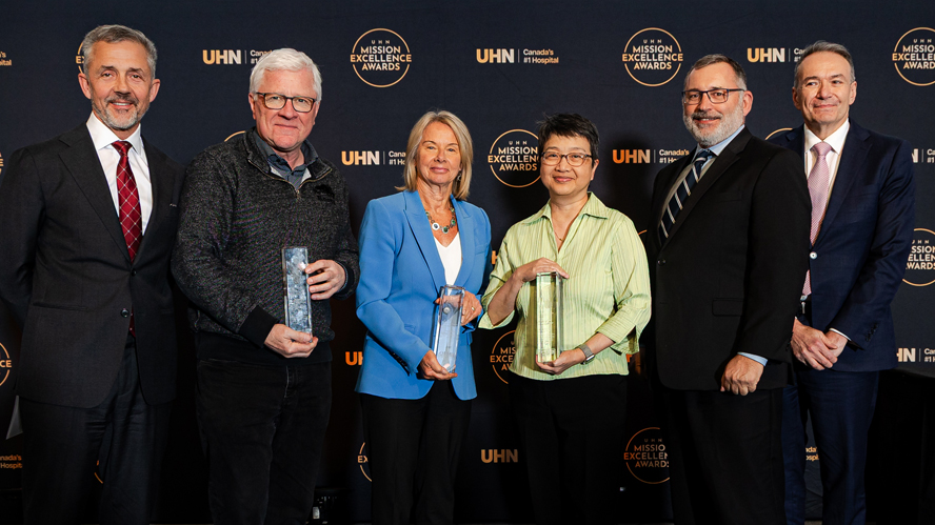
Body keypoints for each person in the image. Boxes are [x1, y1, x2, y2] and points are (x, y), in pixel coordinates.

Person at [0, 24, 182, 525]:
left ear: (153, 89)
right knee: (54, 509)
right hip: (64, 375)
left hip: (148, 377)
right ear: (85, 83)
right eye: (108, 73)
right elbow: (10, 273)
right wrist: (60, 333)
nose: (122, 87)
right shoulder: (38, 164)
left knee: (136, 510)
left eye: (136, 75)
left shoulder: (172, 174)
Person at [172, 48, 359, 524]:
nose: (289, 111)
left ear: (316, 110)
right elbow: (191, 263)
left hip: (312, 363)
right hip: (239, 362)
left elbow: (349, 256)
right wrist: (262, 328)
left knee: (292, 503)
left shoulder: (330, 181)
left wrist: (342, 274)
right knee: (240, 504)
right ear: (253, 102)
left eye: (301, 100)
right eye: (276, 98)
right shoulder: (217, 168)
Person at [645, 55, 811, 525]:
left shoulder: (772, 165)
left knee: (743, 507)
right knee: (693, 506)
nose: (704, 106)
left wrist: (756, 353)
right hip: (676, 371)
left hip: (736, 372)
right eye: (694, 95)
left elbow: (781, 271)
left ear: (746, 101)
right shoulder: (668, 177)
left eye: (718, 94)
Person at [769, 41, 915, 525]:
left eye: (835, 81)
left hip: (847, 351)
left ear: (853, 91)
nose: (824, 92)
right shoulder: (770, 157)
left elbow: (890, 255)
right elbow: (756, 255)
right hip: (776, 344)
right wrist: (789, 327)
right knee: (777, 479)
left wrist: (838, 334)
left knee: (845, 483)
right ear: (796, 96)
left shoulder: (888, 156)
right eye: (811, 82)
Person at [480, 113, 650, 525]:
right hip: (529, 384)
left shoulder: (616, 227)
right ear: (540, 164)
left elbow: (637, 304)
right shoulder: (519, 233)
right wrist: (518, 275)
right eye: (553, 155)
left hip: (595, 382)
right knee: (541, 500)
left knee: (591, 501)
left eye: (576, 156)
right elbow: (492, 313)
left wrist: (581, 352)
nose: (563, 165)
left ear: (593, 167)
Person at [355, 110, 490, 525]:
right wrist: (417, 353)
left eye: (451, 149)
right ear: (414, 156)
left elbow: (477, 293)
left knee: (439, 499)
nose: (440, 156)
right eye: (430, 146)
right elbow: (369, 299)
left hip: (453, 379)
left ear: (463, 162)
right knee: (393, 500)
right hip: (397, 377)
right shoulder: (386, 211)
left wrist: (477, 303)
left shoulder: (477, 219)